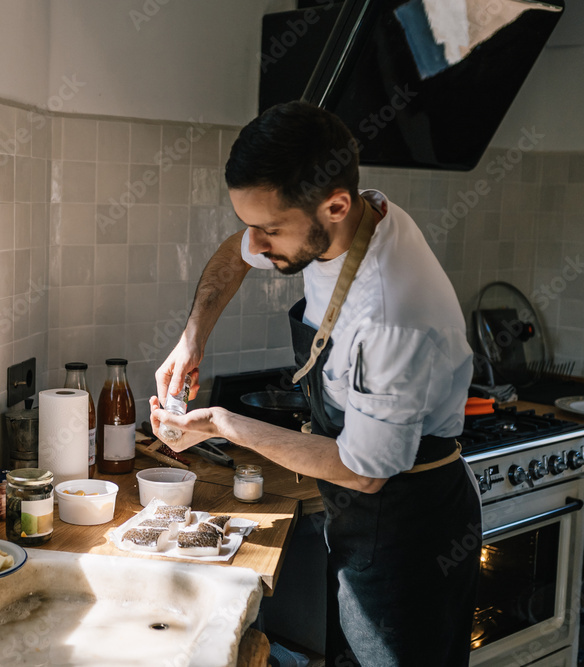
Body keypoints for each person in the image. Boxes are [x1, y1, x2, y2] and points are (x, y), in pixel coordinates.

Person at [150, 101, 481, 666]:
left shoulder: (391, 314)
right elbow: (236, 253)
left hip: (409, 530)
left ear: (334, 205)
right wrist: (192, 338)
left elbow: (363, 471)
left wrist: (226, 424)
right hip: (359, 512)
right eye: (249, 222)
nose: (255, 242)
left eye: (269, 230)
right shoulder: (356, 212)